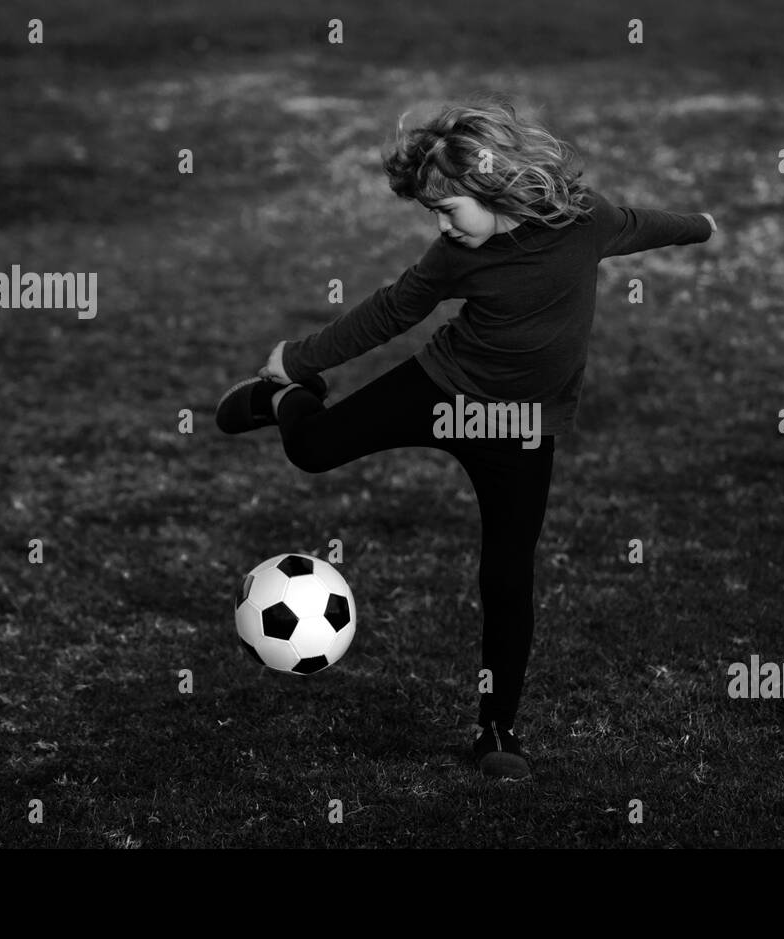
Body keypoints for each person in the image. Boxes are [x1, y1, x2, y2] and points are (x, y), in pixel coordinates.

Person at [216, 99, 716, 779]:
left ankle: (498, 729)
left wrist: (703, 226)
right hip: (444, 389)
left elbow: (641, 225)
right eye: (435, 214)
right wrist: (299, 362)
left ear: (495, 188)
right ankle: (288, 403)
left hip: (520, 430)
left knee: (507, 577)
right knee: (311, 448)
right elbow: (394, 308)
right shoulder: (456, 254)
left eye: (449, 210)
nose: (442, 225)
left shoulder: (584, 224)